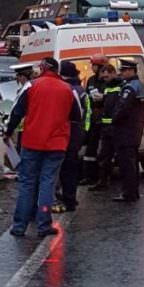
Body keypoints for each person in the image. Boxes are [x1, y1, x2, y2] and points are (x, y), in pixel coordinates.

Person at [5, 57, 78, 236]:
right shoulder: (68, 89)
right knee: (47, 184)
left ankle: (19, 226)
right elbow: (77, 116)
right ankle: (44, 224)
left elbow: (16, 112)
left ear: (44, 68)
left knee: (27, 183)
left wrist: (7, 132)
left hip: (32, 142)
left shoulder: (31, 86)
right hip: (56, 144)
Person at [53, 60, 88, 213]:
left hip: (66, 134)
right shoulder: (81, 90)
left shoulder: (67, 90)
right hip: (77, 134)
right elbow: (85, 114)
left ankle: (66, 198)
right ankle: (70, 198)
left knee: (63, 169)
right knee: (71, 168)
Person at [112, 59, 144, 202]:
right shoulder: (139, 85)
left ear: (131, 71)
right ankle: (133, 191)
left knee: (127, 163)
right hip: (135, 129)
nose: (122, 73)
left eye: (124, 70)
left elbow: (122, 109)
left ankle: (128, 193)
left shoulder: (129, 88)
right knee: (132, 161)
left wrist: (114, 118)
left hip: (127, 130)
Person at [91, 63, 122, 191]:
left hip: (116, 127)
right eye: (103, 77)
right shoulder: (108, 87)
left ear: (113, 73)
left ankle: (126, 187)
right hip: (106, 127)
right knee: (104, 156)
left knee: (121, 157)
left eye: (107, 75)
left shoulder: (120, 86)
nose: (104, 78)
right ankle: (103, 181)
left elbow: (118, 106)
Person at [79, 55, 108, 186]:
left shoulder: (107, 81)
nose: (92, 67)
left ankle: (102, 177)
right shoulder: (91, 80)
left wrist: (103, 98)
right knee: (90, 150)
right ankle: (88, 176)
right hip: (91, 121)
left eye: (94, 65)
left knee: (104, 151)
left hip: (103, 121)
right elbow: (86, 98)